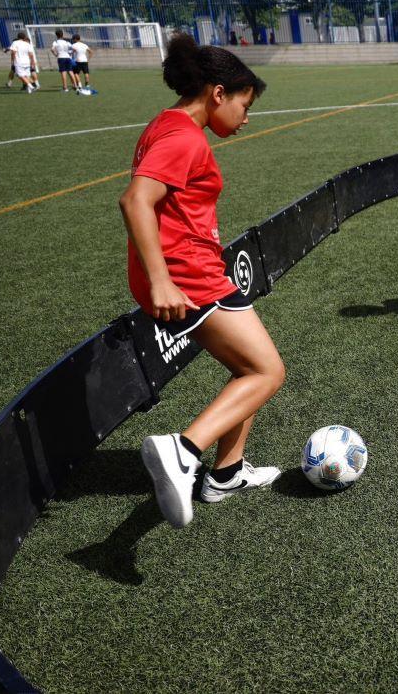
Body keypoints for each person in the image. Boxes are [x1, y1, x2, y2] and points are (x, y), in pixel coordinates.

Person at [120, 33, 284, 529]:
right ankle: (183, 450)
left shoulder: (169, 125)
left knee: (247, 370)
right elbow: (135, 201)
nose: (246, 116)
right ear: (217, 93)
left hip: (194, 270)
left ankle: (227, 472)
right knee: (267, 373)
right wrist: (162, 281)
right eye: (243, 103)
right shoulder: (183, 136)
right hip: (188, 276)